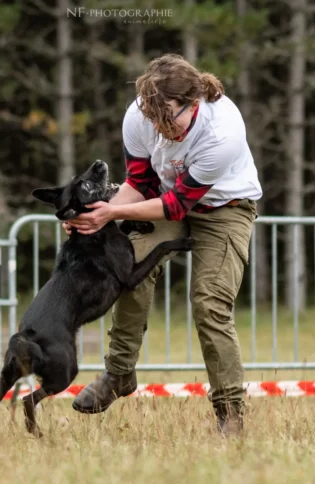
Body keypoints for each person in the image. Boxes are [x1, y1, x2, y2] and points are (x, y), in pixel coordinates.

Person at [64, 53, 263, 436]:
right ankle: (119, 374)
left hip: (226, 209)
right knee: (128, 263)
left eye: (169, 118)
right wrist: (96, 217)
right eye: (153, 118)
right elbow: (140, 184)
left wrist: (108, 216)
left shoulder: (222, 132)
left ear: (194, 102)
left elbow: (176, 206)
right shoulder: (139, 117)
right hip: (166, 198)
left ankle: (230, 414)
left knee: (209, 304)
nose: (160, 127)